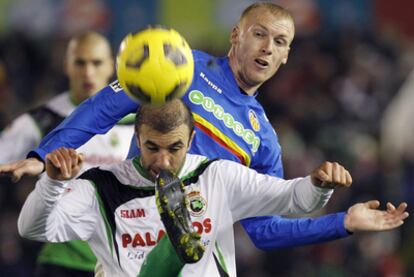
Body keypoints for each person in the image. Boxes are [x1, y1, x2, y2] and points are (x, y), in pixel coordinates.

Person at [0, 1, 397, 265]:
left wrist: (342, 222)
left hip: (200, 263)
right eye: (259, 34)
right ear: (235, 36)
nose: (267, 48)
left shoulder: (263, 139)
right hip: (130, 242)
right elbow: (104, 106)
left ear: (287, 55)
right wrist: (43, 155)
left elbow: (265, 230)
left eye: (280, 42)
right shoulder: (181, 66)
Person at [17, 99, 364, 276]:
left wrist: (318, 185)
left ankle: (176, 238)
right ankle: (174, 242)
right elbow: (30, 228)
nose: (163, 162)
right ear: (137, 139)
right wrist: (52, 182)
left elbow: (292, 199)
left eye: (174, 148)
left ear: (192, 141)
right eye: (152, 148)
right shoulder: (101, 186)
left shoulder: (218, 176)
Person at [0, 31, 135, 276]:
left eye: (96, 62)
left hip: (118, 260)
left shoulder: (136, 121)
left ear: (112, 66)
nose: (88, 72)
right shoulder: (43, 119)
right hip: (61, 262)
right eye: (80, 62)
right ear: (66, 66)